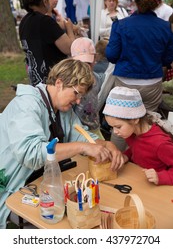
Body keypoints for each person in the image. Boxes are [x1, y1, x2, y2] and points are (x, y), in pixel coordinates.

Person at [0, 58, 123, 229]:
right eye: (76, 93)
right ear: (59, 83)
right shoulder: (26, 105)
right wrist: (83, 147)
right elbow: (32, 154)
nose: (79, 101)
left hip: (38, 181)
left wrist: (106, 145)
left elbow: (81, 136)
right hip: (13, 188)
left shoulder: (61, 109)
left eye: (81, 95)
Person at [106, 0, 173, 150]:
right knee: (146, 125)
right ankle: (144, 162)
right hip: (152, 83)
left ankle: (116, 160)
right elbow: (167, 59)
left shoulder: (121, 25)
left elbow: (111, 56)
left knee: (120, 123)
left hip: (125, 82)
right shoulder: (165, 27)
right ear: (158, 2)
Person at [103, 86, 173, 186]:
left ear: (135, 120)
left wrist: (160, 177)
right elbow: (137, 149)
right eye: (112, 127)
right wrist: (126, 156)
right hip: (138, 180)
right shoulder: (133, 133)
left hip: (157, 190)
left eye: (118, 127)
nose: (115, 132)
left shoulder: (160, 144)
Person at [19, 0, 75, 86]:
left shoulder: (24, 21)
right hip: (51, 82)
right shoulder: (45, 21)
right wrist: (69, 29)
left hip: (35, 80)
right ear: (45, 0)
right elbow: (70, 48)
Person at [71, 38, 105, 139]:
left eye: (88, 63)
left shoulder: (97, 78)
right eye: (80, 64)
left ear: (95, 59)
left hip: (94, 126)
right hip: (77, 129)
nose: (85, 67)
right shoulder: (72, 82)